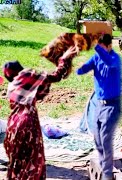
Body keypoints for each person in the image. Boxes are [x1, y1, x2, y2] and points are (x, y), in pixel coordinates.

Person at [3, 47, 77, 179]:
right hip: (27, 122)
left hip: (13, 124)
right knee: (34, 160)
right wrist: (64, 58)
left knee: (18, 160)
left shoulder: (12, 85)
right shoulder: (26, 76)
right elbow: (56, 76)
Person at [76, 34, 122, 180]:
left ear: (109, 46)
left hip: (112, 105)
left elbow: (108, 61)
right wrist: (74, 63)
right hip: (99, 105)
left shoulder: (115, 59)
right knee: (97, 138)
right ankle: (103, 166)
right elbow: (82, 70)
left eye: (102, 48)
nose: (99, 51)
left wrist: (95, 44)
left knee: (105, 139)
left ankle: (107, 176)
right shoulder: (96, 57)